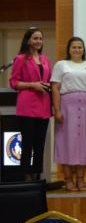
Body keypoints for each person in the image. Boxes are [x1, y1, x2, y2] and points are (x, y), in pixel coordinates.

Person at [51, 37, 86, 191]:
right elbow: (55, 88)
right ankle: (68, 179)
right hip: (67, 108)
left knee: (84, 143)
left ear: (83, 49)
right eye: (74, 47)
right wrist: (57, 110)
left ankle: (80, 179)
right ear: (69, 49)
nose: (77, 49)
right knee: (66, 142)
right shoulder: (61, 65)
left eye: (80, 47)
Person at [9, 28, 52, 181]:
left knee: (40, 145)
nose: (38, 41)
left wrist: (48, 86)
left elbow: (48, 79)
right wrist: (32, 85)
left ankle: (37, 177)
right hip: (27, 107)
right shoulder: (20, 59)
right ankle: (26, 178)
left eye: (40, 38)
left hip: (44, 106)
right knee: (27, 145)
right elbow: (13, 82)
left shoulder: (45, 59)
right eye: (35, 38)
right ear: (28, 40)